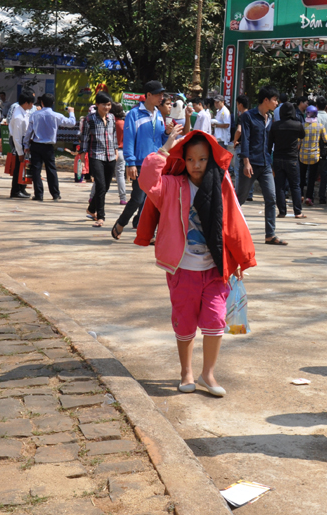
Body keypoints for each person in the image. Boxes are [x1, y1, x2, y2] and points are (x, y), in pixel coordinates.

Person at [138, 129, 256, 395]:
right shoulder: (170, 185)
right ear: (182, 159)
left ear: (211, 158)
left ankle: (208, 375)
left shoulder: (221, 182)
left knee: (215, 322)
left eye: (202, 159)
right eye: (190, 159)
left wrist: (238, 259)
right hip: (182, 270)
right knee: (185, 322)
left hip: (215, 269)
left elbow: (235, 221)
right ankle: (186, 372)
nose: (196, 165)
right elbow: (147, 180)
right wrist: (166, 148)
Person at [113, 81, 169, 239]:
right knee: (138, 198)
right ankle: (121, 223)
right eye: (158, 94)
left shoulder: (158, 114)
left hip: (156, 163)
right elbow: (129, 139)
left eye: (162, 94)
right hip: (140, 163)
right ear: (148, 95)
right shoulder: (134, 114)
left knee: (152, 200)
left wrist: (167, 133)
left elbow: (160, 138)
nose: (161, 97)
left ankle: (146, 231)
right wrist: (130, 163)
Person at [238, 87, 284, 245]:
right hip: (250, 163)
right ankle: (223, 225)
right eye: (275, 100)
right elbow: (245, 140)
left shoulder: (270, 118)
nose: (276, 103)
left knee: (271, 198)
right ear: (266, 100)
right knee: (239, 198)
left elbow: (269, 144)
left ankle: (270, 235)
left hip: (265, 163)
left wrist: (270, 164)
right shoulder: (248, 116)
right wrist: (246, 162)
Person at [25, 93, 76, 203]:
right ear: (52, 103)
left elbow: (29, 131)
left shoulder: (35, 115)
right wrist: (71, 112)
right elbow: (72, 123)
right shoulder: (56, 116)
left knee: (36, 170)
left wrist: (26, 145)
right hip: (48, 147)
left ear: (41, 103)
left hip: (36, 145)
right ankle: (55, 194)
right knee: (51, 170)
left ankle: (39, 194)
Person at [80, 92, 118, 227]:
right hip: (96, 156)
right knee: (100, 185)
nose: (107, 107)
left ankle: (91, 209)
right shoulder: (89, 119)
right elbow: (84, 138)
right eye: (104, 105)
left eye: (109, 105)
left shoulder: (112, 117)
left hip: (111, 156)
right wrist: (83, 156)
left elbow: (113, 135)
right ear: (97, 105)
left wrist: (115, 150)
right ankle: (100, 217)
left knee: (106, 186)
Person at [270, 102, 306, 219]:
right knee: (295, 186)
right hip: (292, 158)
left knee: (279, 186)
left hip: (278, 158)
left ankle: (282, 211)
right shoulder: (297, 125)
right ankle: (298, 212)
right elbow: (302, 135)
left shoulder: (275, 126)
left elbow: (269, 143)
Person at [7, 91, 35, 199]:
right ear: (26, 103)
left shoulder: (24, 111)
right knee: (19, 167)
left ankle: (21, 189)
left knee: (24, 167)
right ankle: (15, 190)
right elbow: (17, 137)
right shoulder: (18, 116)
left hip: (24, 141)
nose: (32, 105)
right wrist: (20, 152)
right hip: (20, 142)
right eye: (31, 103)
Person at [299, 106, 327, 207]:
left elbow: (298, 141)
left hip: (302, 155)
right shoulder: (320, 126)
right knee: (311, 178)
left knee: (301, 177)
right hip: (314, 155)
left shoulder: (302, 126)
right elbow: (326, 140)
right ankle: (309, 197)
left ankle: (301, 195)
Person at [110, 102, 128, 205]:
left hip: (110, 151)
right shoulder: (124, 124)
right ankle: (123, 198)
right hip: (121, 151)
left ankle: (92, 196)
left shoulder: (109, 122)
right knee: (120, 175)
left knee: (102, 175)